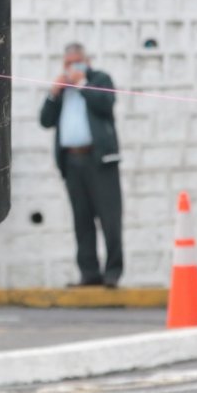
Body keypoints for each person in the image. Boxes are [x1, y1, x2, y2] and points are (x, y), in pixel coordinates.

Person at [39, 43, 124, 288]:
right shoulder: (62, 89)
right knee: (82, 220)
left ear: (87, 62)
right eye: (67, 63)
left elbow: (105, 104)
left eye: (77, 62)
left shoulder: (99, 79)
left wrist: (82, 84)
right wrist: (53, 94)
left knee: (110, 219)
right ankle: (89, 273)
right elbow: (45, 121)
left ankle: (113, 273)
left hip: (99, 160)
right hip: (72, 161)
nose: (72, 67)